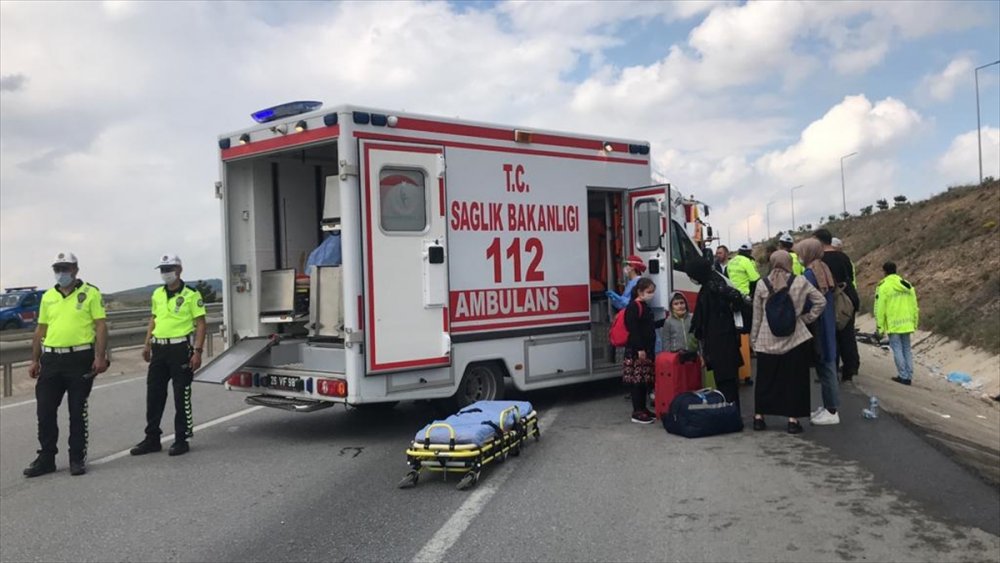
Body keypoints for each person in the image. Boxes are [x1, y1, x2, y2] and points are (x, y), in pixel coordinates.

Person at [24, 252, 109, 477]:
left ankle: (76, 457)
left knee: (77, 411)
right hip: (52, 359)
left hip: (79, 359)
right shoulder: (48, 296)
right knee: (45, 411)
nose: (61, 273)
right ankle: (46, 458)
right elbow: (40, 329)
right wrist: (34, 360)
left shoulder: (90, 293)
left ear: (75, 270)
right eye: (57, 269)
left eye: (66, 268)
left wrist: (100, 356)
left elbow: (101, 325)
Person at [130, 255, 207, 457]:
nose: (166, 273)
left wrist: (198, 351)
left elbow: (201, 323)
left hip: (180, 348)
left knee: (181, 395)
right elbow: (154, 319)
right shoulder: (157, 293)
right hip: (159, 349)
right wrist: (147, 343)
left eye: (169, 269)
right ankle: (152, 438)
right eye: (163, 270)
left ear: (179, 269)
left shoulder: (191, 294)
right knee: (154, 395)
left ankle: (182, 438)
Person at [751, 251, 826, 434]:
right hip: (795, 339)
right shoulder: (800, 281)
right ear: (789, 263)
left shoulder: (762, 284)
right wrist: (805, 319)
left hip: (767, 340)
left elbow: (757, 316)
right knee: (794, 380)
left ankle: (759, 418)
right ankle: (793, 420)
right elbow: (821, 301)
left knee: (765, 381)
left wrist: (754, 340)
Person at [686, 257, 748, 413]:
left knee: (726, 382)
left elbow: (706, 318)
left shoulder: (713, 288)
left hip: (721, 341)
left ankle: (730, 414)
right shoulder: (714, 283)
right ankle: (731, 413)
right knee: (727, 381)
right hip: (724, 340)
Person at [795, 239, 840, 425]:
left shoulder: (810, 273)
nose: (798, 256)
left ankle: (832, 410)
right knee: (827, 364)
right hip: (827, 320)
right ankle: (828, 406)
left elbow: (806, 300)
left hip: (819, 324)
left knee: (826, 367)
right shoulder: (822, 267)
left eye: (800, 252)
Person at [813, 229, 860, 382]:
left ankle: (831, 370)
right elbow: (850, 278)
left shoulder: (821, 260)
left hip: (831, 301)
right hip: (848, 301)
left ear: (819, 241)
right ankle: (849, 370)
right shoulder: (844, 257)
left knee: (830, 336)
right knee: (847, 335)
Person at [875, 262, 919, 386]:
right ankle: (909, 376)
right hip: (907, 323)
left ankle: (903, 375)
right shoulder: (906, 284)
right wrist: (915, 322)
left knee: (897, 349)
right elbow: (914, 305)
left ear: (884, 271)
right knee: (907, 349)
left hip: (894, 324)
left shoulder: (883, 286)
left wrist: (880, 327)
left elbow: (880, 308)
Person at [623, 278, 657, 424]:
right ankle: (637, 411)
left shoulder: (643, 306)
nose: (651, 294)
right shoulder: (634, 307)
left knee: (643, 381)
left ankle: (643, 409)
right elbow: (634, 329)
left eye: (652, 291)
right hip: (637, 350)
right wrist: (640, 348)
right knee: (637, 382)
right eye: (649, 291)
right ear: (640, 291)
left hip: (646, 349)